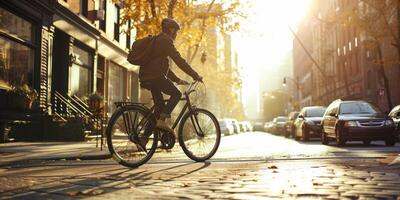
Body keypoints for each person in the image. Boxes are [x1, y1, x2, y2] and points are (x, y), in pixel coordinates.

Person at [140, 18, 203, 135]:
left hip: (148, 76)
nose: (176, 35)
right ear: (171, 29)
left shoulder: (159, 40)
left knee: (159, 107)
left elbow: (162, 67)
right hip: (155, 77)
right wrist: (195, 75)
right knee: (177, 94)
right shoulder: (165, 40)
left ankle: (143, 138)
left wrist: (177, 80)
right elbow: (179, 60)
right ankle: (162, 121)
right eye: (176, 32)